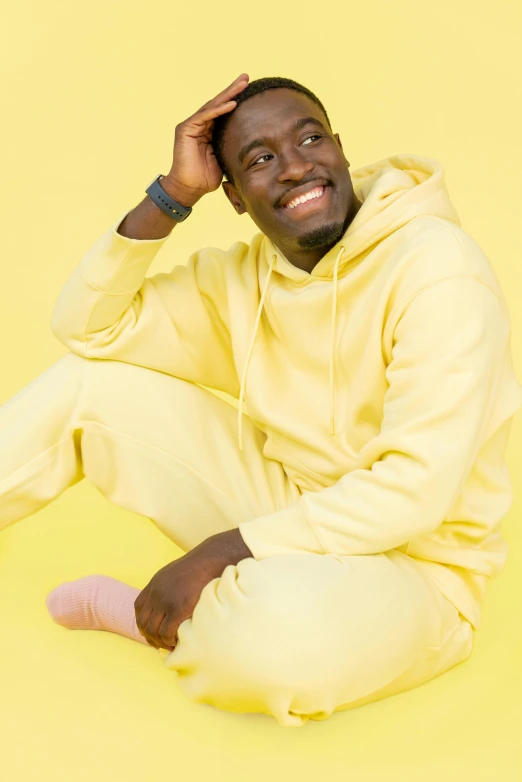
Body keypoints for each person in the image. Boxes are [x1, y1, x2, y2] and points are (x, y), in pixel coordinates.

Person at [1, 72, 521, 729]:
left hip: (417, 572)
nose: (296, 166)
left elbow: (416, 492)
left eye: (309, 139)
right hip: (287, 502)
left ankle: (156, 616)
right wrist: (171, 194)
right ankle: (229, 606)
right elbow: (88, 328)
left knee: (274, 645)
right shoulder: (241, 280)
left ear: (340, 149)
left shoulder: (438, 270)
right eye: (261, 159)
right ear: (236, 197)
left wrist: (222, 553)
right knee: (87, 384)